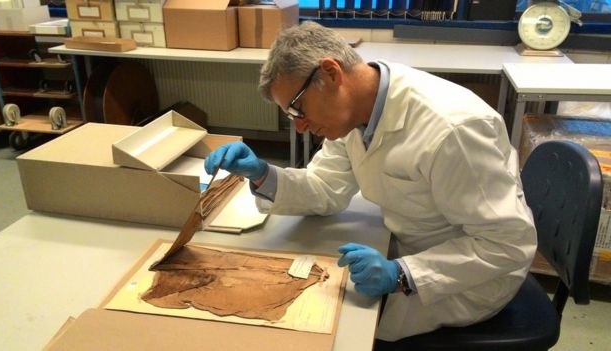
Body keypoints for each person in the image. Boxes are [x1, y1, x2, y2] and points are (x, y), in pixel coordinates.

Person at [204, 21, 536, 341]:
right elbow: (326, 188)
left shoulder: (454, 129)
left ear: (332, 74)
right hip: (405, 241)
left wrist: (403, 275)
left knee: (327, 327)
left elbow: (507, 245)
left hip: (466, 279)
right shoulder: (359, 110)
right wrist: (264, 175)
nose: (300, 127)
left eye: (297, 108)